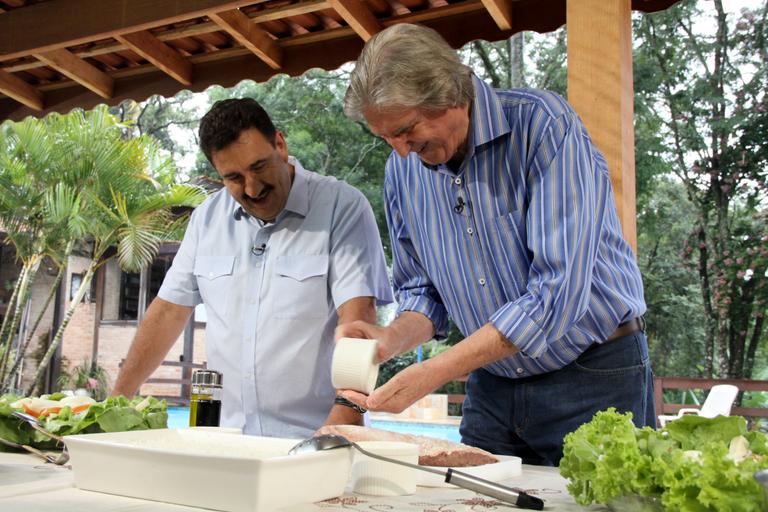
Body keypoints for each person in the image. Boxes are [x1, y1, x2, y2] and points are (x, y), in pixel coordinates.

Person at [337, 23, 655, 466]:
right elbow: (424, 295)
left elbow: (556, 294)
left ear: (449, 95)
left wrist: (438, 371)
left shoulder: (544, 126)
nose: (402, 151)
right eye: (387, 138)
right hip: (492, 384)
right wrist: (389, 338)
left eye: (407, 131)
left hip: (593, 373)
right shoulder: (401, 172)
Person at [113, 98, 393, 439]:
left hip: (313, 436)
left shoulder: (342, 207)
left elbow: (359, 321)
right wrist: (115, 405)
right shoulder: (206, 219)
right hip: (221, 437)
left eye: (259, 167)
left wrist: (337, 430)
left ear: (280, 143)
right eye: (233, 177)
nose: (252, 188)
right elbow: (168, 312)